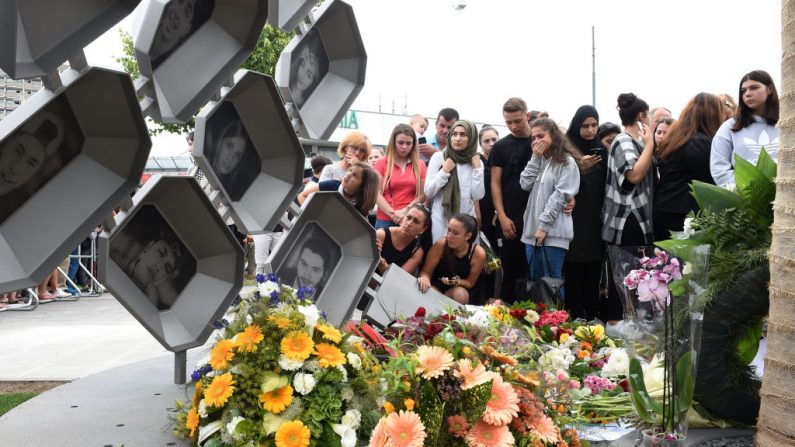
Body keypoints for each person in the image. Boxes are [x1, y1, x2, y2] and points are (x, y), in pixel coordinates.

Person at [601, 93, 655, 326]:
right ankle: (617, 322)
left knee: (633, 273)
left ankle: (631, 322)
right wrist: (651, 144)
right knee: (624, 274)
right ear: (642, 116)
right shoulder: (623, 141)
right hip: (627, 218)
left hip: (637, 217)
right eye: (649, 114)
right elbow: (633, 175)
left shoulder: (636, 142)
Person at [520, 118, 580, 299]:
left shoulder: (566, 162)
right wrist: (535, 157)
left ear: (553, 136)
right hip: (531, 233)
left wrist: (543, 226)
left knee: (552, 282)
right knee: (534, 282)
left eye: (541, 136)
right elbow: (524, 183)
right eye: (534, 137)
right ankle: (536, 324)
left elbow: (560, 196)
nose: (537, 141)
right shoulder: (540, 160)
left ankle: (556, 324)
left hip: (553, 233)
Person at [654, 93, 723, 240]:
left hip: (666, 209)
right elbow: (712, 179)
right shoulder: (699, 142)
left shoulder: (677, 138)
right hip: (683, 216)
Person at [564, 105, 606, 320]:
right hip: (573, 219)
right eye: (585, 126)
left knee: (592, 271)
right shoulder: (567, 149)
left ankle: (592, 317)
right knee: (573, 271)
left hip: (594, 221)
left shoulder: (601, 149)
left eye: (594, 125)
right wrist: (578, 166)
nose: (590, 131)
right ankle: (574, 316)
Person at [490, 98, 533, 303]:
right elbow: (495, 183)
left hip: (536, 215)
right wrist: (502, 216)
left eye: (518, 121)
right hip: (510, 217)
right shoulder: (500, 147)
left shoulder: (540, 141)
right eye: (508, 122)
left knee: (532, 274)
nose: (514, 126)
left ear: (528, 116)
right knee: (509, 273)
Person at [711, 70, 780, 187]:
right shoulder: (730, 127)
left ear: (769, 89)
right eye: (743, 91)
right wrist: (742, 191)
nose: (747, 94)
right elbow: (718, 166)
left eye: (754, 88)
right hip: (748, 200)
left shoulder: (787, 124)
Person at [424, 119, 484, 242]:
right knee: (441, 257)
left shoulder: (476, 161)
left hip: (466, 221)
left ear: (472, 138)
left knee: (467, 258)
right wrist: (444, 172)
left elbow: (477, 195)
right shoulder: (439, 157)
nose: (457, 138)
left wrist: (478, 169)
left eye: (463, 134)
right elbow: (428, 192)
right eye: (454, 134)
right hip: (441, 220)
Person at [418, 213, 486, 304]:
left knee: (461, 295)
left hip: (457, 289)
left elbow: (470, 283)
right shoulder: (441, 244)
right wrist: (425, 278)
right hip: (435, 286)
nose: (449, 236)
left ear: (468, 236)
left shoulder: (478, 253)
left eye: (455, 233)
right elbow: (426, 271)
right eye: (449, 230)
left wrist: (455, 282)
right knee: (427, 291)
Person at [374, 124, 427, 229]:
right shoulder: (381, 163)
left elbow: (421, 195)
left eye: (408, 143)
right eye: (400, 142)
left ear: (413, 144)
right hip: (385, 219)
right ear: (393, 142)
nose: (404, 147)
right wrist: (393, 215)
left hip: (409, 219)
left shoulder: (420, 164)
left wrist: (404, 212)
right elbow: (376, 194)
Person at [300, 162, 379, 217]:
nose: (348, 174)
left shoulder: (361, 203)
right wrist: (311, 215)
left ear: (364, 186)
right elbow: (302, 195)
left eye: (354, 175)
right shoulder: (332, 186)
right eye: (350, 170)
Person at [375, 204, 430, 274]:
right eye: (408, 217)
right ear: (403, 218)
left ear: (423, 229)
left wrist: (382, 265)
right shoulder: (381, 235)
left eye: (416, 221)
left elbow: (398, 278)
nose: (409, 223)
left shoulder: (417, 251)